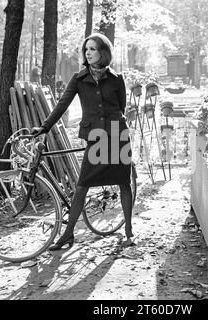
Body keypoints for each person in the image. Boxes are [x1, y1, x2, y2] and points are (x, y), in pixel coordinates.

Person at [31, 33, 134, 250]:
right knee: (82, 186)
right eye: (86, 49)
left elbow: (121, 107)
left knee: (123, 182)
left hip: (117, 135)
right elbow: (62, 104)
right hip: (96, 137)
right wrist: (44, 127)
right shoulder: (79, 78)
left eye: (93, 49)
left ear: (103, 52)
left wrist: (114, 126)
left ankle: (128, 231)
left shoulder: (117, 79)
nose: (88, 52)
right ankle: (68, 234)